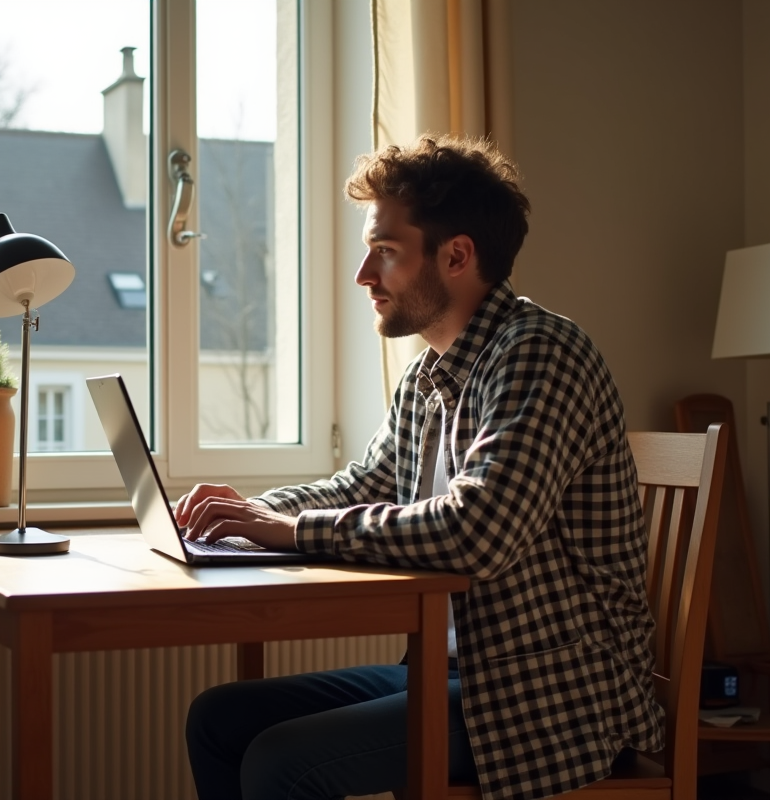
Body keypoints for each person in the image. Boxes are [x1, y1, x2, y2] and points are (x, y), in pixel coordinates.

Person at [176, 134, 663, 800]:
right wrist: (244, 516)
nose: (363, 276)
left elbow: (478, 532)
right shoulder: (429, 377)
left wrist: (285, 533)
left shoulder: (541, 353)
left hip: (543, 695)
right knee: (219, 720)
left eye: (386, 252)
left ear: (457, 255)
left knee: (280, 762)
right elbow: (358, 488)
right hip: (448, 673)